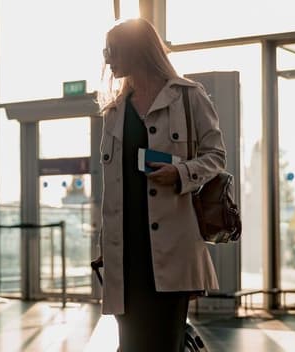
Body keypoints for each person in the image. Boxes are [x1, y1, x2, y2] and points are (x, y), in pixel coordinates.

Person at [94, 18, 226, 351]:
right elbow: (113, 187)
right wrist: (104, 244)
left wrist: (180, 172)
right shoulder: (114, 111)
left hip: (173, 248)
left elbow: (216, 156)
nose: (107, 59)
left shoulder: (188, 96)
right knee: (130, 344)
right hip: (124, 252)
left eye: (112, 50)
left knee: (165, 342)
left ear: (136, 50)